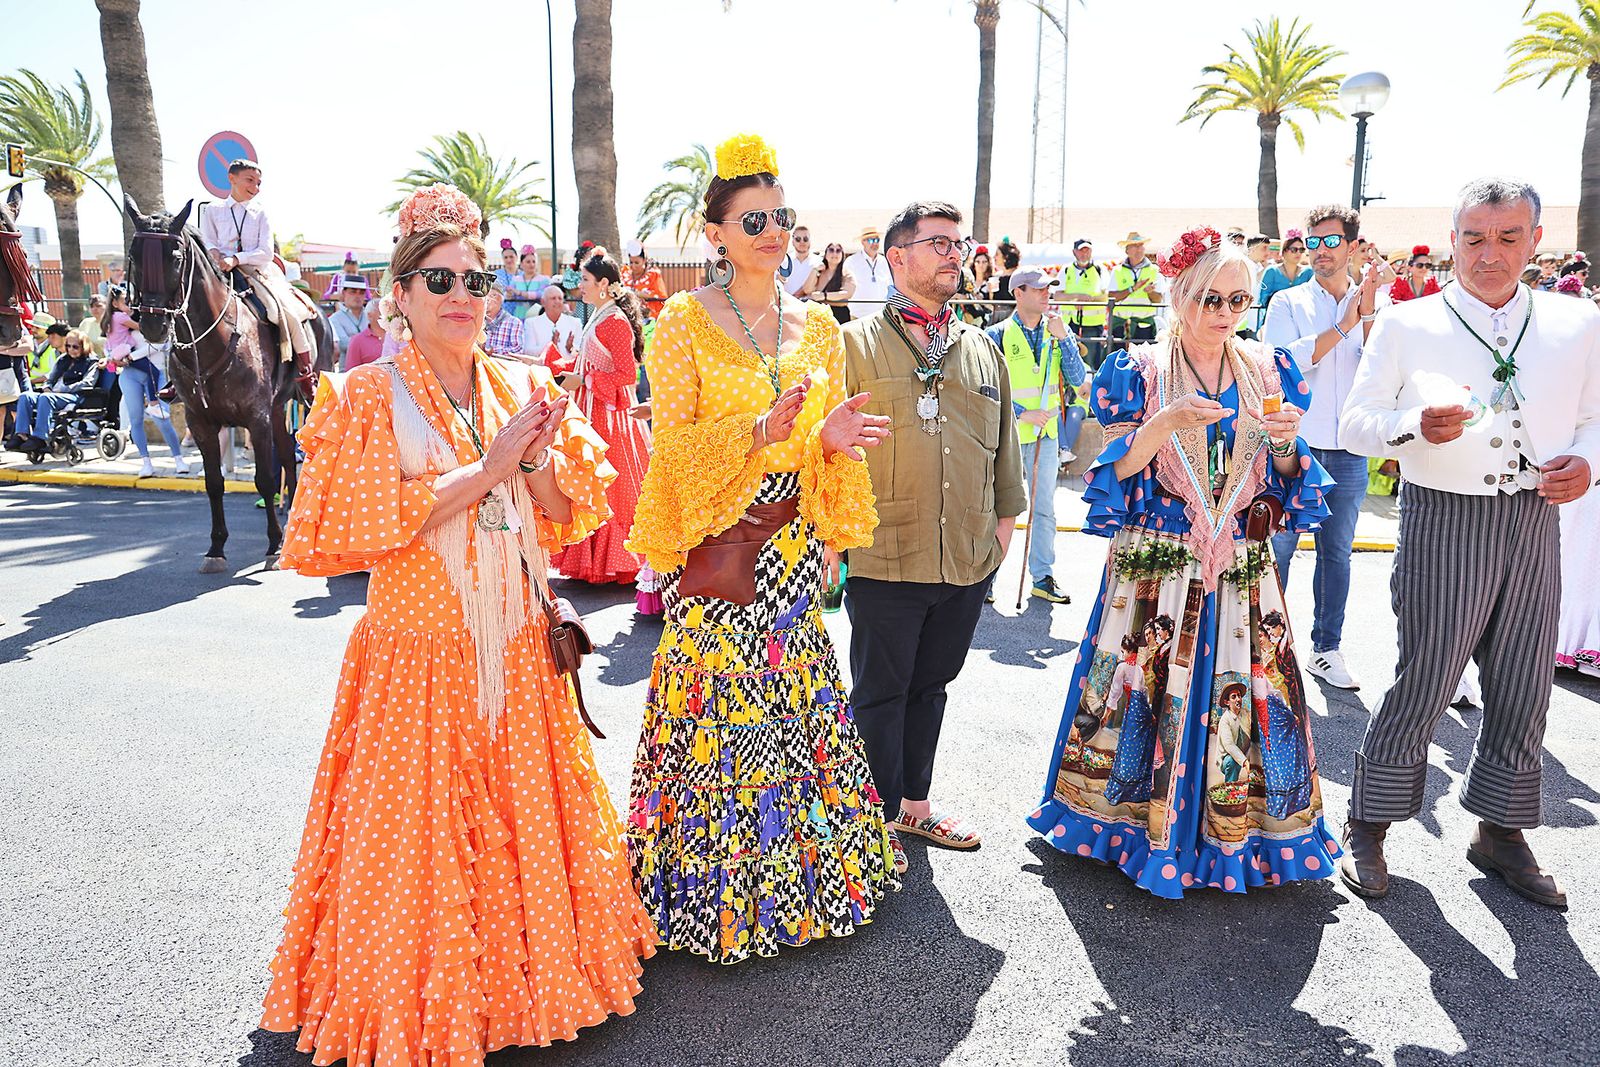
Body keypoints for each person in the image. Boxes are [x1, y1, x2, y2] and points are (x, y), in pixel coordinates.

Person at [261, 184, 655, 1061]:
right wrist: (492, 464)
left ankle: (533, 979)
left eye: (477, 279)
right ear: (399, 295)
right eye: (439, 280)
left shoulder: (521, 380)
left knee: (524, 837)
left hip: (514, 647)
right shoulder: (363, 396)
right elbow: (353, 531)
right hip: (418, 660)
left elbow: (564, 509)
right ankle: (424, 1006)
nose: (464, 296)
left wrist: (537, 458)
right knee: (419, 851)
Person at [622, 134, 896, 961]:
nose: (772, 232)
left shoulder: (819, 327)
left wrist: (830, 439)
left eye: (781, 216)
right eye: (753, 220)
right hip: (720, 549)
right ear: (715, 234)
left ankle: (801, 887)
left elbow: (816, 437)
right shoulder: (681, 321)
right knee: (719, 716)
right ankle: (710, 897)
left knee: (794, 704)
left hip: (793, 549)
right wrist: (754, 430)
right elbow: (669, 447)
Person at [1027, 226, 1338, 897]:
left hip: (1242, 565)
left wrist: (1286, 445)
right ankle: (1127, 825)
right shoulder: (1135, 371)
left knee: (1244, 696)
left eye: (1236, 300)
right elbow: (1114, 466)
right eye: (1209, 298)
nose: (1223, 313)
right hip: (1158, 565)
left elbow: (1284, 476)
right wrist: (1164, 420)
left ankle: (1238, 835)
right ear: (1179, 294)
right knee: (1140, 688)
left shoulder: (1268, 369)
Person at [1339, 178, 1600, 909]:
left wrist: (1589, 463)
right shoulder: (1405, 322)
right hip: (1443, 516)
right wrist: (1412, 428)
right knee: (1427, 676)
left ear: (1534, 242)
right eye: (1475, 238)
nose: (1490, 255)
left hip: (1535, 519)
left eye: (1508, 238)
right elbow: (1356, 423)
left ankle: (1502, 830)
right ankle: (1370, 819)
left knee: (1524, 681)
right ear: (1453, 239)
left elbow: (1594, 419)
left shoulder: (1577, 323)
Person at [841, 200, 1025, 871]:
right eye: (939, 242)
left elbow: (1005, 453)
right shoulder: (852, 345)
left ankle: (913, 808)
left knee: (932, 686)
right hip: (883, 553)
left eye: (960, 242)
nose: (956, 253)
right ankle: (870, 824)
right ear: (897, 258)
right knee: (879, 693)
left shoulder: (982, 349)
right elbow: (826, 448)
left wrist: (1000, 537)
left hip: (966, 556)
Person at [1262, 205, 1378, 691]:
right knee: (1278, 551)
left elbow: (1381, 366)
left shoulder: (1373, 303)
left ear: (1352, 246)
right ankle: (1265, 649)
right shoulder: (1287, 302)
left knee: (1338, 555)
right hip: (1297, 447)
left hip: (1350, 449)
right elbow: (1282, 361)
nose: (1320, 251)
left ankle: (1325, 649)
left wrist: (1367, 309)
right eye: (1313, 242)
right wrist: (1342, 326)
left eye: (1331, 241)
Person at [985, 266, 1088, 605]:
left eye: (1049, 289)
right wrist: (1019, 413)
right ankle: (985, 579)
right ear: (1019, 293)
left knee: (1044, 509)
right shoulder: (995, 334)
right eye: (1040, 289)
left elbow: (1076, 379)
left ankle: (1042, 577)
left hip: (1044, 436)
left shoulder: (1057, 331)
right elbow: (983, 388)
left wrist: (1065, 338)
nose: (1047, 294)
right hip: (1006, 436)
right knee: (997, 508)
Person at [548, 250, 650, 586]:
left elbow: (627, 375)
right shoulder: (598, 316)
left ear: (604, 284)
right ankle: (589, 556)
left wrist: (585, 381)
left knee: (612, 487)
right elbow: (582, 363)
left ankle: (617, 560)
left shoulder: (615, 322)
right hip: (591, 411)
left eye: (586, 281)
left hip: (611, 418)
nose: (581, 288)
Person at [199, 159, 317, 377]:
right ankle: (180, 377)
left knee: (286, 313)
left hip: (256, 273)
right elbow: (208, 241)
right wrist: (214, 253)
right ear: (231, 179)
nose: (255, 187)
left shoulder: (260, 213)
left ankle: (306, 373)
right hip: (217, 273)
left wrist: (236, 259)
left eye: (258, 183)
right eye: (250, 180)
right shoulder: (212, 210)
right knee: (189, 307)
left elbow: (266, 252)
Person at [7, 330, 100, 449]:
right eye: (68, 346)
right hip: (54, 394)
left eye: (75, 346)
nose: (71, 349)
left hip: (75, 395)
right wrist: (47, 387)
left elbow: (87, 383)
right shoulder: (62, 359)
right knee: (26, 396)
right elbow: (50, 379)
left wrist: (63, 389)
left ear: (84, 346)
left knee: (46, 398)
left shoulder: (91, 361)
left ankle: (40, 437)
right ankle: (21, 434)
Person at [1060, 238, 1109, 368]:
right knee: (1068, 360)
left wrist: (1089, 299)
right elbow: (1057, 294)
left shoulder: (1100, 269)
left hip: (1093, 325)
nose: (1084, 254)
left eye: (1087, 251)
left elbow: (1106, 296)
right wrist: (1076, 297)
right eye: (1081, 251)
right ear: (1074, 252)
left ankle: (1091, 387)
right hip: (1068, 324)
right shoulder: (1066, 270)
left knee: (1091, 362)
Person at [1108, 231, 1162, 346]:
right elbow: (1111, 297)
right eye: (1135, 246)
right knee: (1119, 360)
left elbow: (1158, 300)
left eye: (1141, 246)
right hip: (1121, 326)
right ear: (1127, 250)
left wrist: (1150, 292)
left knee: (1143, 361)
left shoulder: (1155, 270)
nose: (1139, 249)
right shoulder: (1117, 271)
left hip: (1144, 326)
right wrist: (1132, 289)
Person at [1257, 228, 1311, 324]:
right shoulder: (1272, 271)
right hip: (1275, 319)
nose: (1298, 253)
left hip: (1302, 321)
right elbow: (1263, 299)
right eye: (1294, 250)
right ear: (1284, 251)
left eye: (1301, 250)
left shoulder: (1308, 272)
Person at [523, 283, 581, 365]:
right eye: (553, 298)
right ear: (543, 302)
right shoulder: (531, 323)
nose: (557, 301)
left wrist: (571, 348)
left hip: (567, 372)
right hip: (542, 371)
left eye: (560, 298)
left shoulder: (575, 323)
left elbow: (581, 352)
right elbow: (528, 351)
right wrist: (550, 345)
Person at [844, 225, 892, 321]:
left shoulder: (885, 261)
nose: (874, 243)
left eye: (877, 240)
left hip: (881, 316)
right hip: (858, 316)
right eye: (870, 240)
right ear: (863, 242)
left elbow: (890, 284)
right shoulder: (852, 261)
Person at [808, 239, 855, 324]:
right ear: (825, 254)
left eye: (838, 251)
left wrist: (824, 296)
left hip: (840, 315)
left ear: (842, 255)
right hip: (820, 315)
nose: (834, 253)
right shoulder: (819, 272)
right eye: (831, 250)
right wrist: (814, 270)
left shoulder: (846, 273)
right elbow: (808, 290)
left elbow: (847, 293)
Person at [623, 239, 669, 318]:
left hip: (649, 318)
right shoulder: (624, 273)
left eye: (637, 263)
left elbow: (661, 296)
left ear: (644, 260)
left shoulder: (653, 275)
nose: (633, 266)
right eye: (631, 262)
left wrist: (640, 294)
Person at [328, 276, 368, 368]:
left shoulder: (371, 315)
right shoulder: (334, 319)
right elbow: (343, 344)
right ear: (343, 293)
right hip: (347, 373)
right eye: (353, 292)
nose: (357, 296)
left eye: (361, 292)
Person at [506, 244, 550, 319]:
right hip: (519, 316)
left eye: (533, 261)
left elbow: (542, 294)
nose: (532, 264)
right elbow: (509, 296)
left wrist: (520, 293)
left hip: (537, 316)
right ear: (522, 264)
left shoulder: (544, 279)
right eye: (528, 262)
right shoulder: (515, 279)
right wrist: (509, 294)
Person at [343, 297, 384, 369]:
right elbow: (351, 371)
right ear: (369, 315)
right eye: (381, 311)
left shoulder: (396, 336)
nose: (386, 315)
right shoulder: (357, 340)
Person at [781, 225, 815, 296]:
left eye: (805, 239)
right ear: (793, 242)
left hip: (811, 305)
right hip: (787, 304)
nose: (802, 242)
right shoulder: (783, 261)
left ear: (810, 241)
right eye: (798, 239)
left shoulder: (818, 262)